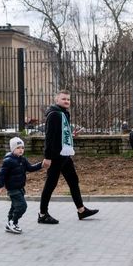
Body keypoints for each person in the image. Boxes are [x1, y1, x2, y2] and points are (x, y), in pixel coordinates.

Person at [38, 90, 99, 224]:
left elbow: (60, 134)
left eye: (68, 99)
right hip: (55, 156)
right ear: (57, 100)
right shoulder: (54, 114)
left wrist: (70, 135)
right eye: (63, 99)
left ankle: (81, 210)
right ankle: (42, 214)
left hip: (65, 155)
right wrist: (47, 157)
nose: (66, 101)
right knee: (50, 184)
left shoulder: (63, 113)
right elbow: (49, 137)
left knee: (73, 180)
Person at [0, 137, 43, 234]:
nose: (21, 150)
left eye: (22, 148)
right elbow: (2, 174)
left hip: (20, 188)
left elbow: (30, 168)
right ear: (13, 149)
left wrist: (41, 164)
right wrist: (0, 186)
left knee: (14, 206)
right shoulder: (8, 161)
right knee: (22, 206)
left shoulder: (23, 160)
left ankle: (9, 224)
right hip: (13, 189)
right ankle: (13, 222)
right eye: (18, 148)